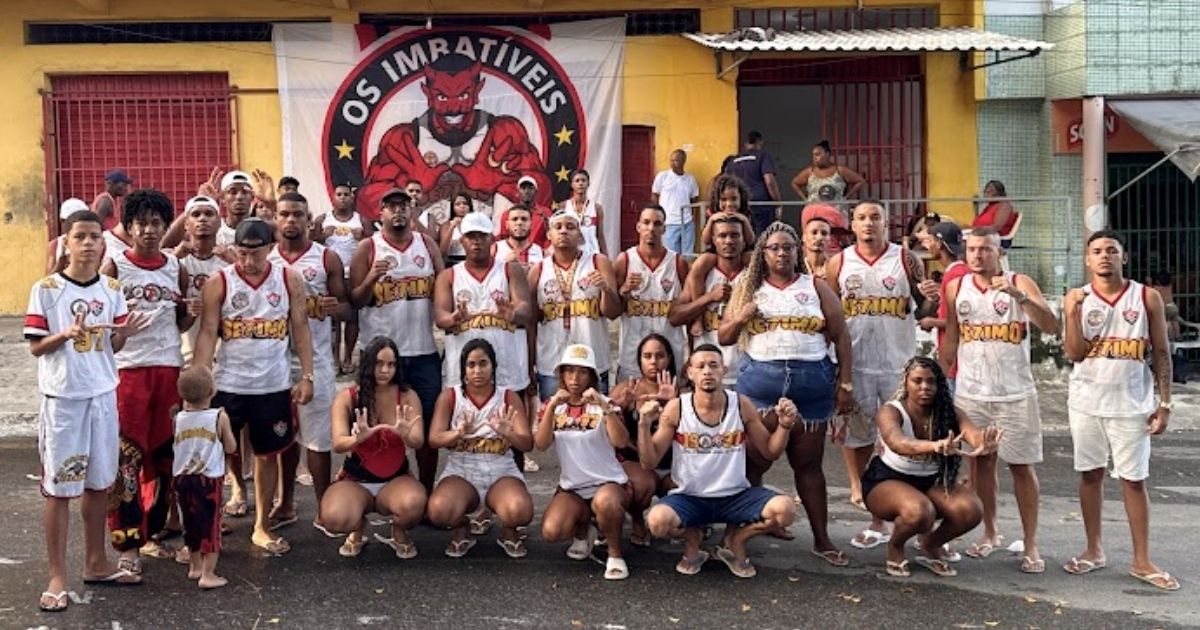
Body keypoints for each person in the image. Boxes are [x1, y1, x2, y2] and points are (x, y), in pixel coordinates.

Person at [26, 209, 151, 611]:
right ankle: (57, 575)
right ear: (66, 243)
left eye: (95, 236)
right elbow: (35, 347)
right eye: (80, 236)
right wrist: (64, 334)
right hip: (64, 400)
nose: (88, 243)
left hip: (102, 395)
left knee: (100, 482)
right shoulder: (46, 290)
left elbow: (110, 347)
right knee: (60, 488)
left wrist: (124, 336)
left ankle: (96, 562)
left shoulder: (111, 289)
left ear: (103, 242)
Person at [719, 221, 853, 566]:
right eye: (774, 248)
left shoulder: (816, 286)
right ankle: (743, 527)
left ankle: (821, 539)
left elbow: (841, 336)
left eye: (788, 247)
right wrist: (741, 317)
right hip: (761, 385)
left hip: (812, 384)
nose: (781, 253)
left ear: (798, 251)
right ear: (763, 254)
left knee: (808, 465)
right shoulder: (747, 289)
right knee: (752, 462)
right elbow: (724, 337)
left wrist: (846, 384)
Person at [1061, 230, 1180, 591]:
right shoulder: (1079, 298)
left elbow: (1161, 352)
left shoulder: (1146, 297)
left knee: (1133, 480)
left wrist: (1165, 404)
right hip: (1086, 401)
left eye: (1112, 250)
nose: (1104, 256)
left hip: (1132, 404)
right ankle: (1094, 549)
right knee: (1090, 475)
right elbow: (1074, 354)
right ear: (1087, 259)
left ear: (1123, 258)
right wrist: (1071, 312)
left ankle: (1141, 559)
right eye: (1096, 251)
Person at [939, 226, 1059, 574]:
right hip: (972, 392)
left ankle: (1031, 544)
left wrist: (1020, 298)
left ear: (999, 252)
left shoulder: (1020, 282)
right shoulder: (955, 287)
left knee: (1021, 466)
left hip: (1015, 393)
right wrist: (945, 378)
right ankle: (990, 532)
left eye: (985, 249)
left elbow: (1051, 326)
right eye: (972, 249)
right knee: (981, 465)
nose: (978, 255)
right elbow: (953, 336)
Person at [193, 217, 315, 555]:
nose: (249, 261)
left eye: (256, 253)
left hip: (272, 385)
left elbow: (301, 329)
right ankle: (211, 519)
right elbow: (207, 332)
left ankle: (261, 526)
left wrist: (307, 375)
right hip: (229, 384)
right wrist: (199, 379)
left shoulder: (289, 280)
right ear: (235, 250)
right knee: (216, 453)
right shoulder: (219, 283)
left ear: (271, 248)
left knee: (266, 456)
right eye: (243, 253)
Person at [825, 201, 937, 549]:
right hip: (855, 366)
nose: (869, 223)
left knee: (897, 443)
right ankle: (876, 517)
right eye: (862, 218)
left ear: (887, 223)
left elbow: (923, 312)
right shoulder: (838, 263)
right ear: (853, 226)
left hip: (897, 367)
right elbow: (830, 316)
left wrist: (930, 299)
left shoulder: (907, 260)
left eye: (875, 217)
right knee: (858, 440)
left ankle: (910, 515)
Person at [638, 345, 799, 578]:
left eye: (713, 365)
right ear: (690, 373)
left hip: (735, 496)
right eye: (700, 366)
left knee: (785, 511)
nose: (707, 371)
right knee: (657, 522)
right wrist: (643, 424)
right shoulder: (677, 407)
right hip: (690, 497)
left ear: (724, 370)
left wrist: (784, 425)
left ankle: (736, 539)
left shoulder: (740, 404)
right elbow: (649, 462)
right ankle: (692, 538)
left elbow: (770, 451)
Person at [99, 189, 192, 574]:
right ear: (130, 226)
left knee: (165, 458)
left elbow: (181, 321)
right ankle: (127, 547)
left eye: (157, 223)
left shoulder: (176, 267)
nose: (150, 230)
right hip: (129, 372)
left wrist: (191, 312)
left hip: (168, 369)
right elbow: (100, 320)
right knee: (127, 461)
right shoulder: (116, 266)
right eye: (142, 223)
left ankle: (151, 533)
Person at [863, 357, 1000, 578]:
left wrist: (985, 442)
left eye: (931, 381)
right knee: (920, 511)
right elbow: (897, 442)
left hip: (930, 481)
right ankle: (895, 546)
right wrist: (934, 445)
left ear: (939, 385)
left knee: (971, 510)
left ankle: (931, 544)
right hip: (887, 480)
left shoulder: (948, 412)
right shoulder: (891, 411)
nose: (925, 387)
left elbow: (972, 435)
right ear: (905, 382)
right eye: (918, 381)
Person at [349, 187, 445, 494]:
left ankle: (426, 492)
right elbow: (356, 300)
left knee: (425, 429)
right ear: (381, 213)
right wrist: (371, 279)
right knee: (377, 427)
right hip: (380, 356)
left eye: (404, 205)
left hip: (423, 350)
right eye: (391, 206)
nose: (398, 211)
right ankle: (381, 491)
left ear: (412, 210)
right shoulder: (368, 247)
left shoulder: (426, 244)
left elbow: (444, 287)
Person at [268, 192, 347, 534]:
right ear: (275, 218)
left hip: (316, 361)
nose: (290, 220)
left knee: (317, 439)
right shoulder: (265, 258)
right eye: (284, 214)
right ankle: (284, 504)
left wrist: (334, 307)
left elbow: (347, 306)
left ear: (308, 218)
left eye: (297, 214)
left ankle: (322, 505)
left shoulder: (326, 258)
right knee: (281, 436)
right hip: (273, 361)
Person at [320, 337, 427, 558]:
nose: (385, 370)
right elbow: (338, 444)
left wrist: (406, 435)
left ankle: (398, 530)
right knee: (333, 517)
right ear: (368, 364)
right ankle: (357, 526)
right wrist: (357, 439)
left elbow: (418, 441)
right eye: (379, 364)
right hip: (355, 480)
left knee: (415, 504)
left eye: (391, 364)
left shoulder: (407, 395)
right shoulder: (348, 397)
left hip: (396, 480)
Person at [535, 344, 635, 580]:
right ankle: (584, 528)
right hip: (573, 488)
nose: (574, 378)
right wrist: (551, 407)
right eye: (569, 371)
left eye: (581, 372)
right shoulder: (554, 406)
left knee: (607, 502)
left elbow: (620, 442)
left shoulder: (604, 403)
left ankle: (614, 553)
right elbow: (540, 445)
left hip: (608, 483)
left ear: (592, 375)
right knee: (552, 531)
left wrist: (603, 405)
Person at [427, 339, 534, 558]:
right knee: (439, 511)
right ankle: (461, 527)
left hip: (501, 469)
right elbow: (434, 439)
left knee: (520, 511)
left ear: (493, 366)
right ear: (463, 369)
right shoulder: (450, 396)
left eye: (483, 364)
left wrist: (508, 433)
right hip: (462, 469)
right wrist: (458, 433)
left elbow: (527, 443)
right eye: (471, 365)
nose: (477, 371)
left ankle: (509, 530)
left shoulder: (508, 396)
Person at [434, 212, 532, 394]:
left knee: (510, 421)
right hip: (465, 369)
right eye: (471, 236)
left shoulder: (511, 269)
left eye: (482, 236)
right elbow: (440, 317)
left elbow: (526, 309)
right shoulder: (448, 275)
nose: (476, 241)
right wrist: (454, 318)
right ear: (462, 240)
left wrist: (514, 314)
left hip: (507, 368)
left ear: (492, 239)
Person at [528, 211, 621, 400]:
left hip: (592, 359)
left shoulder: (598, 262)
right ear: (549, 234)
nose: (563, 232)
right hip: (552, 362)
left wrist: (605, 289)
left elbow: (613, 313)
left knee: (594, 419)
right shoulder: (538, 269)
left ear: (580, 235)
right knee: (554, 420)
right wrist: (530, 363)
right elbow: (531, 322)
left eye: (570, 227)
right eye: (558, 227)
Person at [608, 333, 679, 545]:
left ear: (669, 358)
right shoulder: (627, 388)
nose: (653, 362)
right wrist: (619, 406)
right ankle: (638, 519)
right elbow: (601, 425)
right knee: (643, 484)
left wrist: (672, 404)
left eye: (659, 356)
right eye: (647, 356)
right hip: (636, 463)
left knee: (686, 491)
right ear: (639, 360)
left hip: (671, 464)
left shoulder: (682, 390)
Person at [171, 365, 237, 589]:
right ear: (212, 390)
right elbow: (231, 446)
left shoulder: (178, 418)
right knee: (211, 524)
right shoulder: (218, 416)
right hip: (208, 478)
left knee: (189, 522)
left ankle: (195, 566)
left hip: (182, 478)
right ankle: (208, 574)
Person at [669, 213, 748, 385]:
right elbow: (674, 317)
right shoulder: (702, 276)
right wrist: (709, 297)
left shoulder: (753, 276)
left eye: (734, 235)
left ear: (743, 240)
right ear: (713, 240)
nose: (728, 241)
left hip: (745, 372)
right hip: (706, 374)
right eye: (722, 235)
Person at [615, 204, 688, 381]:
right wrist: (624, 290)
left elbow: (690, 313)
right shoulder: (624, 260)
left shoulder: (678, 262)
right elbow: (613, 309)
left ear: (664, 228)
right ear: (638, 226)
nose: (651, 228)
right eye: (646, 223)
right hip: (632, 356)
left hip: (670, 356)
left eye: (657, 224)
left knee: (670, 406)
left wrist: (691, 355)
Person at [315, 184, 371, 374]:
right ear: (332, 198)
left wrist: (363, 235)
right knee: (334, 318)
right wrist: (323, 236)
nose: (343, 198)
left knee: (353, 318)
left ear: (352, 198)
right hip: (331, 275)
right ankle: (335, 360)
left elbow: (374, 244)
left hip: (355, 274)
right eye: (339, 194)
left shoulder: (360, 219)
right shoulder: (323, 219)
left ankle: (348, 357)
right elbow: (311, 243)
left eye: (346, 194)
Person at [917, 222, 970, 385]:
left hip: (955, 362)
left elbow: (963, 321)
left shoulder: (956, 275)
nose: (928, 246)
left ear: (939, 244)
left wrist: (931, 322)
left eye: (930, 240)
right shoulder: (956, 272)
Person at [723, 131, 781, 236]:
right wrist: (777, 203)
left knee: (742, 235)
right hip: (761, 204)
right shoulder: (763, 157)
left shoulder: (734, 161)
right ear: (760, 142)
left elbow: (725, 183)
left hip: (741, 204)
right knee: (763, 237)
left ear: (745, 144)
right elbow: (769, 181)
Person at [652, 149, 701, 255]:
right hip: (669, 222)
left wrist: (693, 218)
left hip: (687, 223)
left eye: (676, 160)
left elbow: (694, 199)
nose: (673, 163)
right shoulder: (663, 177)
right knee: (671, 255)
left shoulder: (690, 180)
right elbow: (655, 195)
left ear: (684, 161)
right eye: (671, 160)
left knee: (688, 255)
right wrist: (657, 215)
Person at [790, 140, 865, 208]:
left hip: (836, 210)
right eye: (813, 155)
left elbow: (860, 180)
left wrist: (846, 197)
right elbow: (794, 182)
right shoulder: (809, 172)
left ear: (827, 154)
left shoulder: (840, 170)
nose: (815, 158)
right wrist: (805, 199)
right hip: (814, 209)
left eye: (818, 154)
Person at [699, 174, 755, 252]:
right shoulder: (713, 214)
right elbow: (706, 241)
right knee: (704, 260)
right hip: (717, 253)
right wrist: (711, 220)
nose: (729, 204)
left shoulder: (745, 214)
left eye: (734, 199)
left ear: (741, 198)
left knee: (750, 258)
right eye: (724, 199)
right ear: (717, 200)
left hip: (741, 252)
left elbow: (750, 240)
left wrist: (745, 220)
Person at [496, 175, 553, 250]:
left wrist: (544, 252)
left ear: (536, 192)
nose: (527, 191)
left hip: (538, 254)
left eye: (530, 188)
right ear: (518, 192)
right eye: (523, 188)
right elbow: (503, 237)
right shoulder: (508, 214)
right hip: (513, 254)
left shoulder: (545, 213)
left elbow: (550, 236)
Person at [560, 169, 607, 256]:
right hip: (570, 254)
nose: (580, 183)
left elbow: (600, 236)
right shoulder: (564, 206)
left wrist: (606, 256)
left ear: (588, 184)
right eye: (577, 181)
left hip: (592, 254)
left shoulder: (596, 208)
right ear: (572, 184)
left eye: (583, 180)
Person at [799, 203, 849, 280]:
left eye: (824, 233)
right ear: (804, 237)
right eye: (814, 232)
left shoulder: (837, 267)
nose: (819, 237)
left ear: (829, 239)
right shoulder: (795, 267)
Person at [46, 198, 91, 274]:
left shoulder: (94, 242)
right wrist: (61, 262)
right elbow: (48, 280)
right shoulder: (55, 245)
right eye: (66, 222)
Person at [492, 204, 544, 269]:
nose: (519, 223)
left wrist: (536, 272)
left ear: (531, 224)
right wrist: (505, 265)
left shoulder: (542, 253)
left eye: (524, 219)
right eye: (514, 219)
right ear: (507, 225)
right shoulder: (495, 250)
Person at [437, 192, 475, 266]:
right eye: (458, 204)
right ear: (453, 207)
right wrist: (452, 227)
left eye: (465, 203)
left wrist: (461, 228)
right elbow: (442, 251)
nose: (462, 206)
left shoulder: (476, 224)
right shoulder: (446, 225)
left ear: (470, 206)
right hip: (452, 261)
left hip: (471, 261)